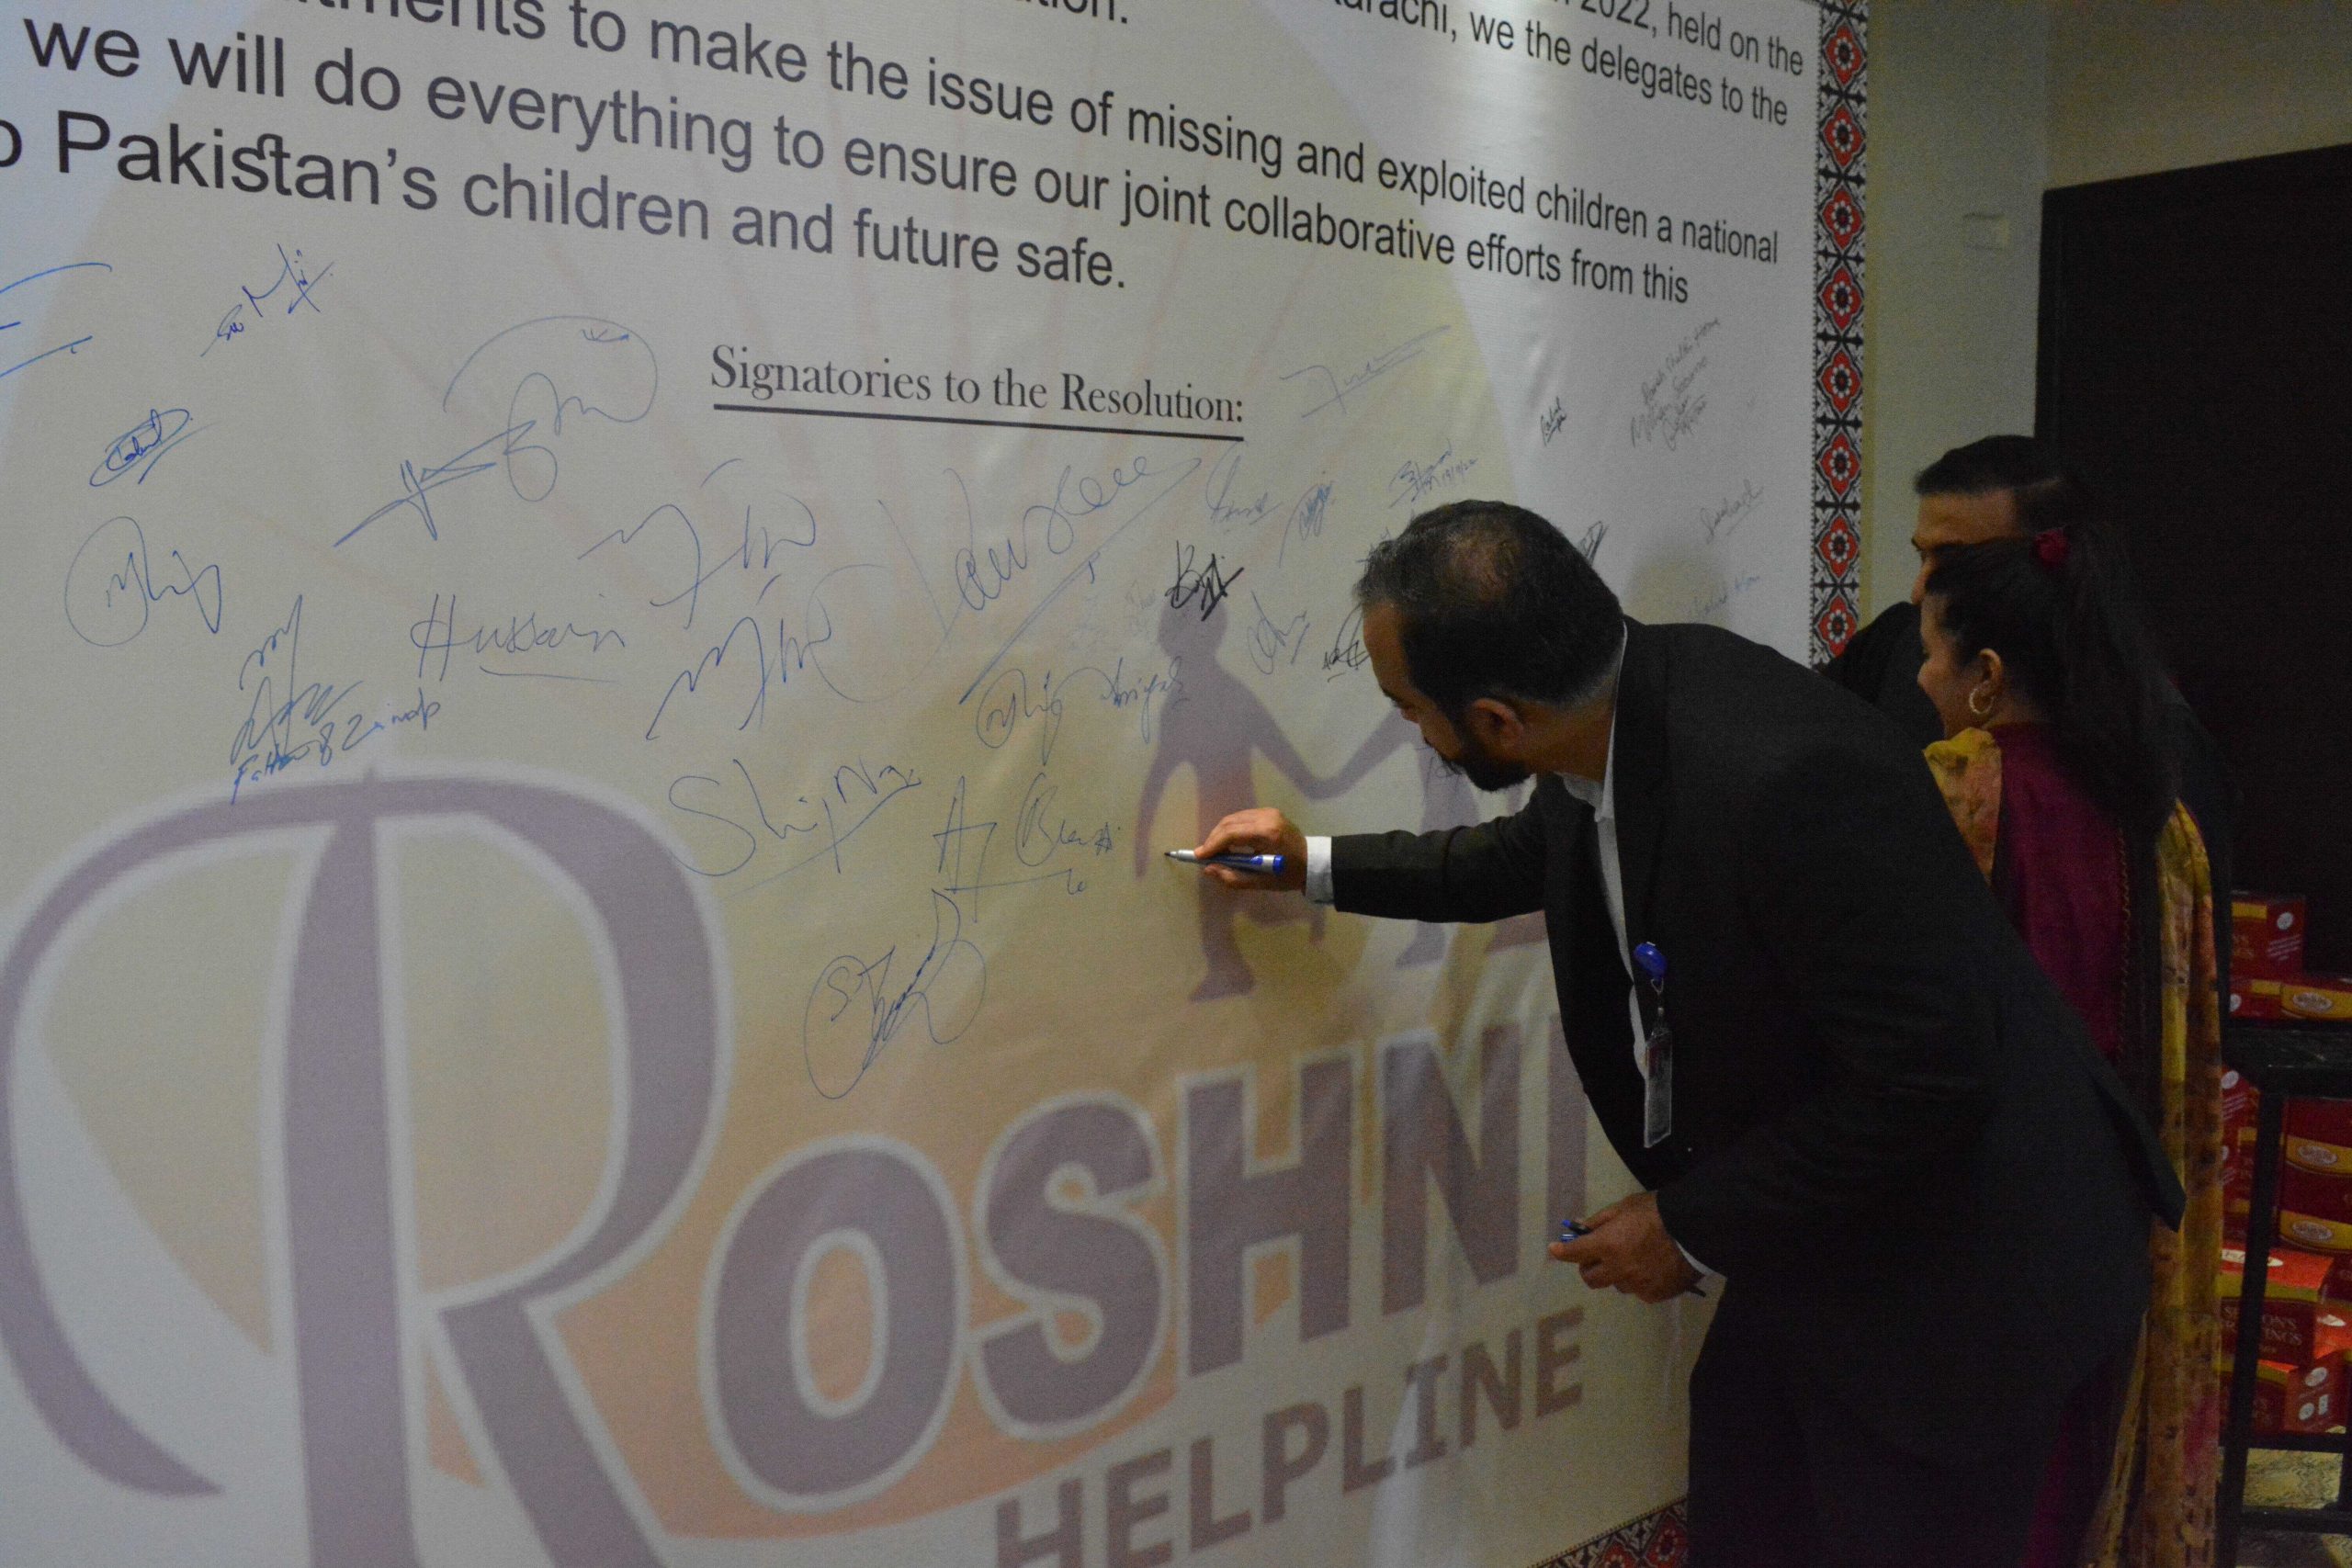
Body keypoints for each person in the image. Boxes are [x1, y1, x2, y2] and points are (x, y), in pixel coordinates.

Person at [1193, 500, 2184, 1568]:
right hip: (1835, 1231)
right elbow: (1525, 857)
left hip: (1965, 1275)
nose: (1410, 732)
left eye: (1408, 709)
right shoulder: (1617, 708)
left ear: (1497, 721)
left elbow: (1930, 1079)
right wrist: (1310, 864)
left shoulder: (1781, 780)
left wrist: (1686, 1226)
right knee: (1748, 1502)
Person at [1917, 529, 2223, 1568]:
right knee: (2075, 1485)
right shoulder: (2158, 818)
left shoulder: (1956, 791)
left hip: (1983, 1225)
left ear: (1987, 675)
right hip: (2116, 1228)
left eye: (1930, 653)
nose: (1920, 679)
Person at [1823, 436, 2234, 991]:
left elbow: (2190, 966)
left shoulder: (2158, 738)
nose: (1920, 590)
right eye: (1921, 556)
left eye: (1951, 563)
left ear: (2042, 563)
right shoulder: (1894, 645)